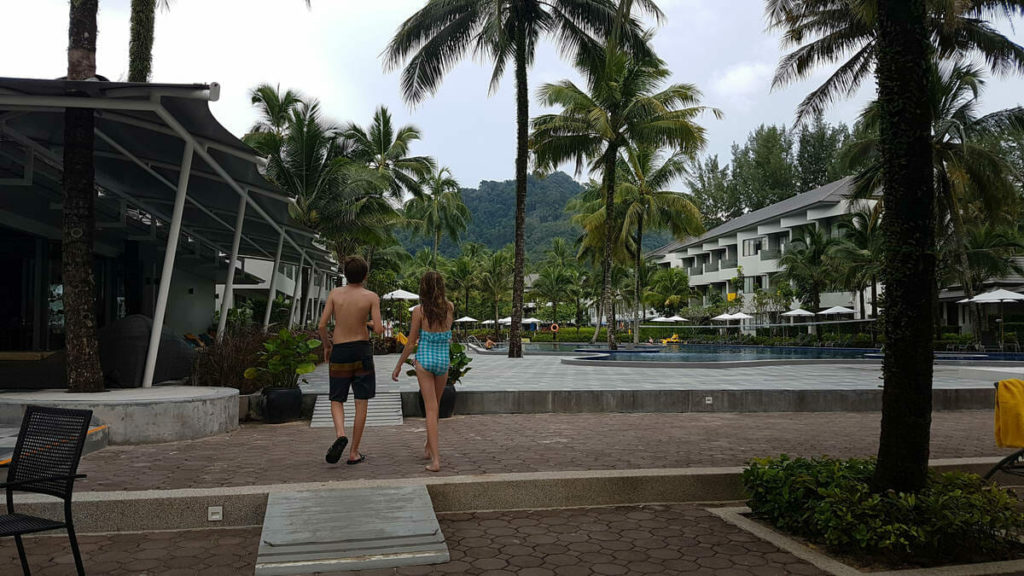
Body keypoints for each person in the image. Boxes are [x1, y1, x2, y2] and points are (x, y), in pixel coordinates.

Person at [318, 256, 383, 466]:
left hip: (340, 349)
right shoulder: (371, 296)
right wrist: (369, 323)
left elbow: (321, 325)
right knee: (361, 401)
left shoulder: (335, 294)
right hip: (362, 350)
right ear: (365, 276)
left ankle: (340, 434)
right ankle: (354, 452)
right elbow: (380, 329)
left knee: (337, 398)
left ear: (345, 274)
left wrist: (327, 346)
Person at [392, 271, 453, 473]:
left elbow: (410, 343)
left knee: (430, 409)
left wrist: (399, 364)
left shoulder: (419, 311)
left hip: (425, 361)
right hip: (443, 360)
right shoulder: (449, 308)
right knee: (435, 407)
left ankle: (436, 460)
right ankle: (429, 447)